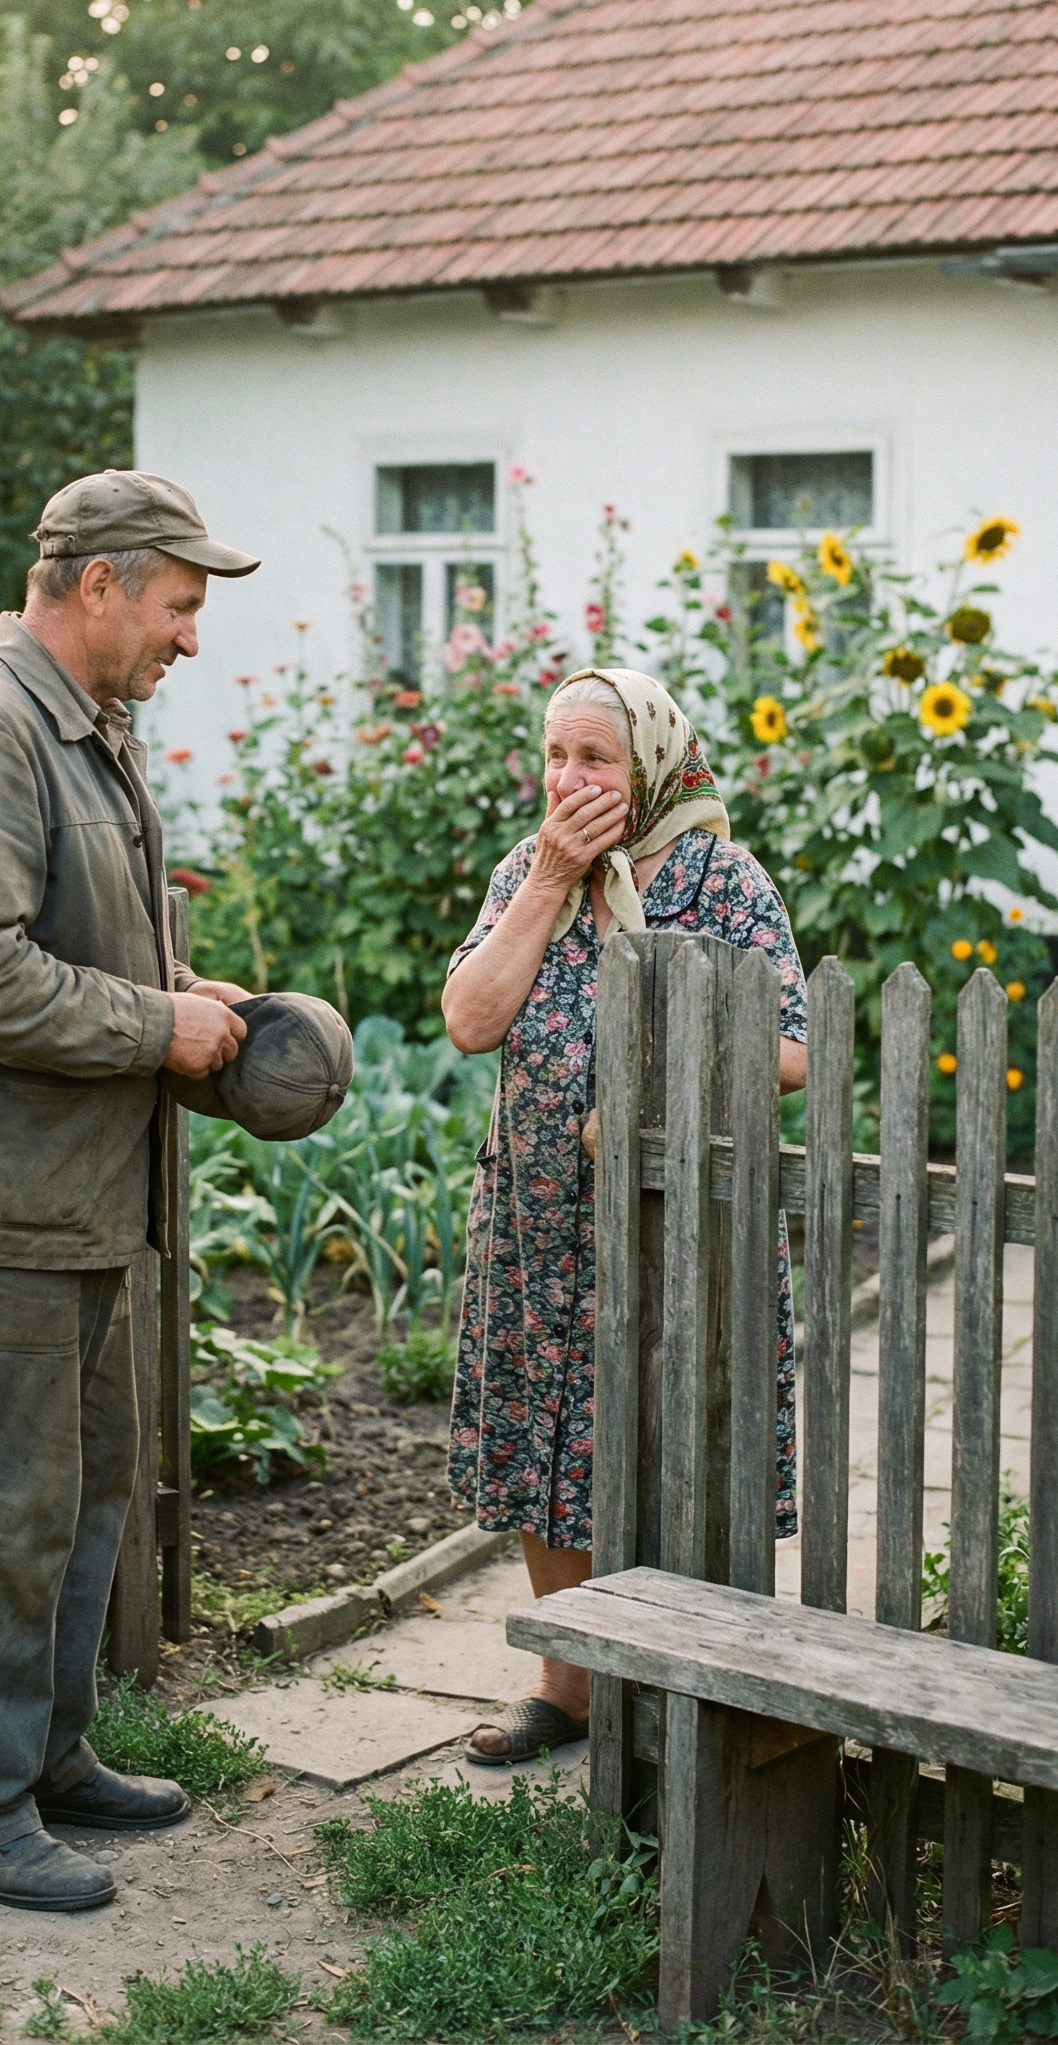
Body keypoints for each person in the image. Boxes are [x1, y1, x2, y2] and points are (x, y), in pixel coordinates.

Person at [0, 470, 259, 1913]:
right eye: (179, 607)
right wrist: (157, 1030)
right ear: (97, 584)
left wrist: (188, 999)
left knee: (79, 1497)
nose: (188, 640)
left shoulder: (80, 727)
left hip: (72, 1198)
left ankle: (47, 1759)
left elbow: (61, 935)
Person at [442, 666, 808, 1766]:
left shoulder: (720, 880)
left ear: (649, 761)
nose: (569, 778)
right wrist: (549, 881)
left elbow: (790, 1047)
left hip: (678, 1234)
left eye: (593, 757)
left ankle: (690, 1682)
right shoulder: (530, 870)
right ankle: (568, 1686)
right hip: (537, 1221)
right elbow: (470, 1018)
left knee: (685, 1442)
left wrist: (658, 1087)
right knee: (543, 1442)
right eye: (554, 756)